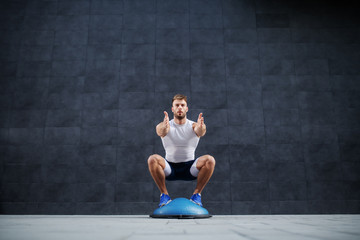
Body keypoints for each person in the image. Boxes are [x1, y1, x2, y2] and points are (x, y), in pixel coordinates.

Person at [147, 94, 216, 208]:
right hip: (169, 168)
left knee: (210, 160)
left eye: (182, 105)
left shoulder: (194, 125)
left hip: (190, 169)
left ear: (186, 108)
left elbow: (200, 131)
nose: (180, 107)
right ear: (172, 109)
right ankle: (164, 195)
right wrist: (164, 127)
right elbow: (160, 130)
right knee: (152, 159)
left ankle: (196, 195)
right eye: (177, 105)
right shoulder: (166, 125)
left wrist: (201, 127)